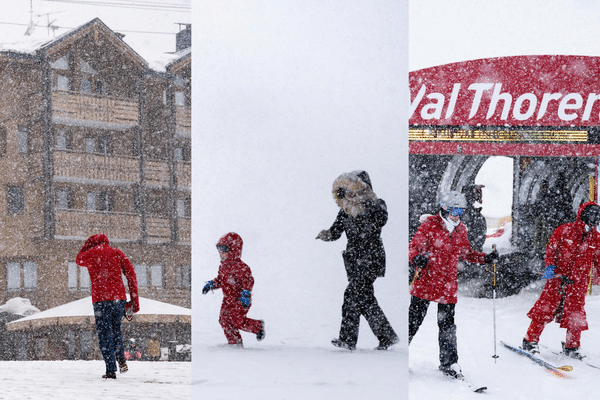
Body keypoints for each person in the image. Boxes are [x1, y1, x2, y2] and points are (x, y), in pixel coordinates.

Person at [408, 191, 498, 379]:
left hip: (447, 286)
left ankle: (449, 363)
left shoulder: (460, 229)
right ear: (444, 208)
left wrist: (485, 258)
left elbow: (466, 253)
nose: (457, 215)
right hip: (426, 281)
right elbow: (414, 246)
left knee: (447, 325)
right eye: (454, 210)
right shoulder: (429, 226)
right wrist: (417, 258)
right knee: (413, 321)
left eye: (461, 211)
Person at [316, 170, 398, 351]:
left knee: (352, 296)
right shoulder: (345, 211)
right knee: (365, 300)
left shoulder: (377, 205)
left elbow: (380, 221)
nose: (350, 196)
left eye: (353, 192)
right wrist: (326, 235)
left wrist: (364, 207)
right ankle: (387, 336)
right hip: (354, 260)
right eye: (346, 192)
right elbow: (336, 232)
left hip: (371, 259)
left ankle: (348, 339)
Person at [522, 201, 600, 359]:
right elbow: (551, 250)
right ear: (583, 214)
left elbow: (598, 260)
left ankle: (572, 346)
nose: (595, 219)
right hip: (557, 279)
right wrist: (550, 268)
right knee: (545, 309)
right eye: (592, 214)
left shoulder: (596, 238)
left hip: (578, 282)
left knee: (576, 313)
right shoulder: (565, 230)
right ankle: (530, 340)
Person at [76, 233, 139, 379]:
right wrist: (134, 301)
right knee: (116, 330)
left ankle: (111, 369)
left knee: (105, 334)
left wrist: (89, 244)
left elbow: (78, 259)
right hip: (119, 298)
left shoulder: (90, 254)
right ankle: (121, 357)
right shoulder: (117, 253)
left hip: (101, 299)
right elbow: (131, 274)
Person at [202, 232, 265, 347]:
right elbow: (220, 280)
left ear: (234, 250)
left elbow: (249, 281)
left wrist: (246, 294)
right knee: (224, 320)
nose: (221, 253)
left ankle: (258, 326)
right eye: (219, 250)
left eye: (224, 249)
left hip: (240, 299)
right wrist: (211, 285)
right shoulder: (222, 267)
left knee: (237, 320)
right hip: (227, 300)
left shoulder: (241, 267)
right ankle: (234, 342)